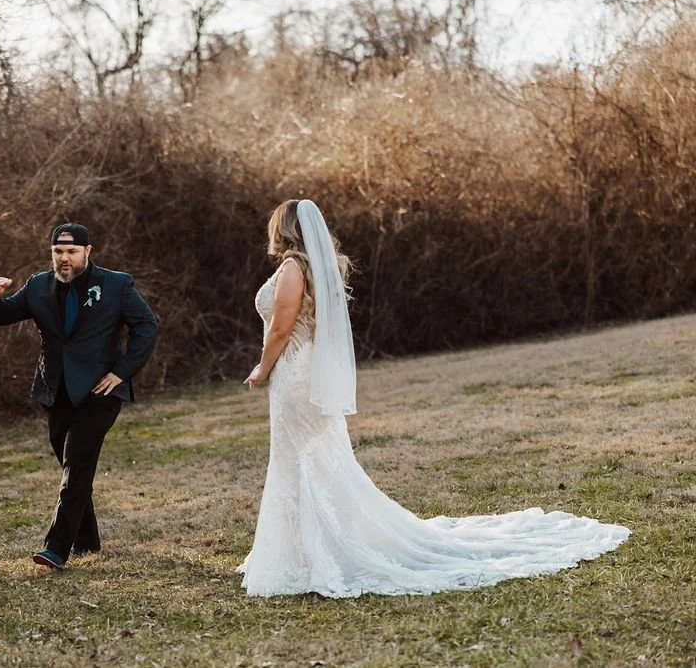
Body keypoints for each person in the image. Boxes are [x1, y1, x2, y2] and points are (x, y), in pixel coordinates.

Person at [239, 199, 630, 597]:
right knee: (309, 460)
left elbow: (280, 330)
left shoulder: (292, 269)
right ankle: (302, 548)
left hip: (295, 374)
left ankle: (311, 552)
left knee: (298, 459)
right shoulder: (312, 268)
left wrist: (262, 367)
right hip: (304, 372)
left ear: (283, 229)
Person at [0, 223, 157, 570]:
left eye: (71, 252)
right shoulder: (37, 286)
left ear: (87, 252)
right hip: (55, 390)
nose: (64, 259)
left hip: (99, 391)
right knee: (71, 467)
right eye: (58, 252)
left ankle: (55, 549)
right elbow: (5, 315)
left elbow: (146, 326)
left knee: (76, 465)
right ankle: (87, 542)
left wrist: (121, 372)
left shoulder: (116, 284)